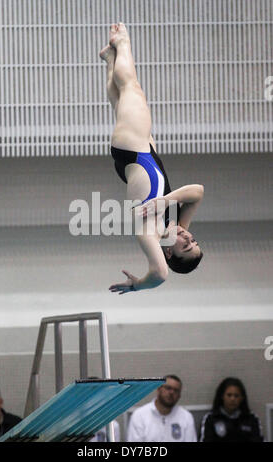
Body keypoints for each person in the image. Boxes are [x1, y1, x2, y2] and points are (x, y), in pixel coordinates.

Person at [100, 23, 204, 295]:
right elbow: (197, 192)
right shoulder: (175, 226)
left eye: (185, 245)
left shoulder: (152, 234)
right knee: (122, 99)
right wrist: (167, 201)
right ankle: (110, 60)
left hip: (135, 153)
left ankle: (122, 42)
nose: (186, 236)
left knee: (133, 90)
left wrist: (138, 285)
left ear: (168, 254)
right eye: (193, 240)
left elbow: (159, 274)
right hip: (144, 156)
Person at [127, 375, 197, 442]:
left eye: (176, 390)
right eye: (168, 388)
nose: (171, 392)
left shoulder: (186, 417)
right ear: (158, 389)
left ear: (179, 396)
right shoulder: (139, 415)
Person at [199, 377, 264, 442]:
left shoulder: (252, 419)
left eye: (236, 396)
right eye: (229, 395)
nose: (232, 399)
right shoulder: (210, 419)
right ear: (222, 396)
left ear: (242, 398)